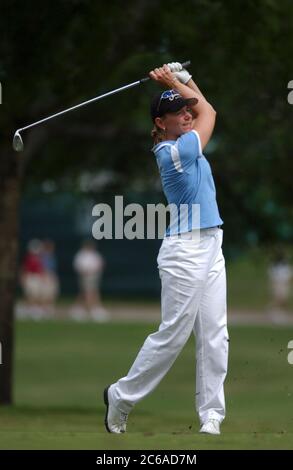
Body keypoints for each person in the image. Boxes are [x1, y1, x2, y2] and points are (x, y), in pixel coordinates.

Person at [103, 62, 229, 435]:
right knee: (173, 334)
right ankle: (121, 396)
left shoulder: (186, 136)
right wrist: (175, 80)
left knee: (214, 334)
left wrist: (184, 81)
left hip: (211, 241)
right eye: (177, 113)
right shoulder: (174, 153)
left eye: (186, 110)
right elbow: (209, 111)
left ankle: (212, 414)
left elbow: (204, 109)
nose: (187, 115)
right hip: (185, 250)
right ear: (161, 123)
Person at [72, 240, 109, 322]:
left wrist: (95, 270)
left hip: (94, 276)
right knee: (86, 293)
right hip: (85, 276)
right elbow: (78, 266)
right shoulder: (81, 254)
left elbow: (101, 264)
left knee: (93, 292)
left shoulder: (95, 254)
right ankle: (87, 309)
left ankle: (92, 309)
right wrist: (85, 272)